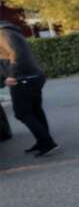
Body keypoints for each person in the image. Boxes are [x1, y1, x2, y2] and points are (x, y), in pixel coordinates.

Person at [0, 19, 57, 156]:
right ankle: (43, 141)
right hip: (30, 76)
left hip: (22, 78)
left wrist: (13, 75)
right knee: (35, 111)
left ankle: (47, 142)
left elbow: (16, 53)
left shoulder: (3, 33)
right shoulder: (8, 30)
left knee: (22, 113)